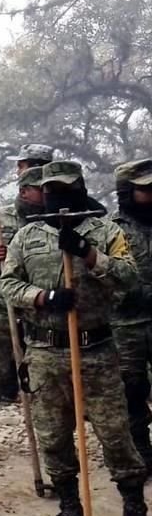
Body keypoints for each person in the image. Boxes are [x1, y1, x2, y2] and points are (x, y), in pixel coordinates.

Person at [0, 160, 152, 516]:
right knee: (53, 435)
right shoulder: (27, 235)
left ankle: (134, 510)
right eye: (51, 189)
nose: (58, 196)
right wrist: (43, 297)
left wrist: (88, 254)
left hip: (97, 350)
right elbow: (9, 284)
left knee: (116, 433)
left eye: (66, 188)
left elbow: (129, 275)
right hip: (47, 352)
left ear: (81, 188)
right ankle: (70, 507)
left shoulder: (106, 231)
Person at [0, 165, 48, 463]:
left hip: (39, 308)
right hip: (1, 307)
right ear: (24, 190)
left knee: (43, 376)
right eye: (41, 189)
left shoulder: (52, 219)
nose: (46, 195)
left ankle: (50, 442)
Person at [110, 159, 152, 471]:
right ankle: (141, 451)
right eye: (144, 190)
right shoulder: (112, 231)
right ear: (127, 192)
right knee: (132, 389)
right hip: (126, 325)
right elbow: (107, 280)